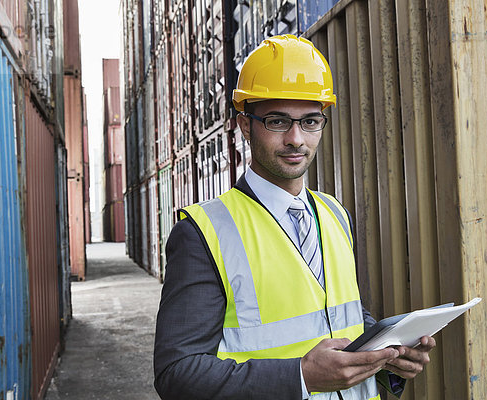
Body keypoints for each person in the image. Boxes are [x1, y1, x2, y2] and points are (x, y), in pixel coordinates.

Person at [153, 34, 435, 399]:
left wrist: (389, 355)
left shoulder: (334, 213)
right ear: (244, 125)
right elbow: (178, 373)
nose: (296, 139)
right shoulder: (203, 232)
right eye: (277, 121)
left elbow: (336, 315)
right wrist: (300, 377)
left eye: (310, 122)